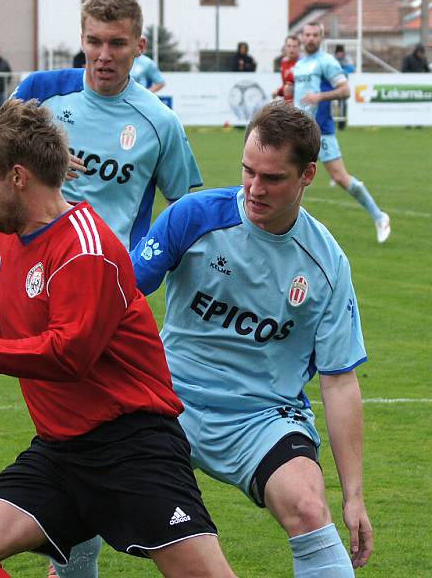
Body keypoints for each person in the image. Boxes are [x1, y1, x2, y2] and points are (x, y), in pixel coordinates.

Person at [0, 0, 203, 578]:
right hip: (22, 260)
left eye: (117, 43)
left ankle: (70, 541)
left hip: (93, 284)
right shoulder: (42, 92)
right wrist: (48, 165)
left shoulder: (158, 122)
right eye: (93, 41)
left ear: (139, 46)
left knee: (74, 404)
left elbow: (184, 208)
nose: (103, 54)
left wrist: (141, 264)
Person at [130, 100, 374, 577]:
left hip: (262, 417)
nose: (254, 189)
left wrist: (355, 496)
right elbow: (117, 294)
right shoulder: (194, 217)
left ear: (307, 175)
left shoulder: (326, 264)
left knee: (308, 507)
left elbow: (340, 381)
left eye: (272, 178)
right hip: (169, 401)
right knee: (86, 483)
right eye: (248, 172)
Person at [293, 22, 391, 243]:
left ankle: (379, 216)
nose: (310, 39)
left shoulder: (327, 62)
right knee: (292, 176)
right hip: (299, 130)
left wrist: (320, 97)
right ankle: (289, 228)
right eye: (307, 35)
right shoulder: (300, 65)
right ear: (302, 37)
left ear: (321, 37)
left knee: (339, 177)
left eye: (315, 35)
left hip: (321, 130)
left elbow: (346, 90)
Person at [273, 35, 300, 103]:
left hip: (300, 104)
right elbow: (285, 85)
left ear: (299, 48)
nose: (291, 49)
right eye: (289, 46)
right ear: (285, 47)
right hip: (288, 104)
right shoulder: (283, 62)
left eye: (294, 46)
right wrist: (278, 91)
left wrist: (293, 89)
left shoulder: (303, 63)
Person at [333, 45, 354, 130]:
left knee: (342, 105)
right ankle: (332, 123)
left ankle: (341, 125)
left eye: (341, 53)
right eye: (338, 53)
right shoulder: (332, 59)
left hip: (344, 86)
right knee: (332, 105)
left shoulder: (347, 59)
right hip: (334, 85)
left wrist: (341, 71)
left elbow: (351, 69)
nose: (339, 55)